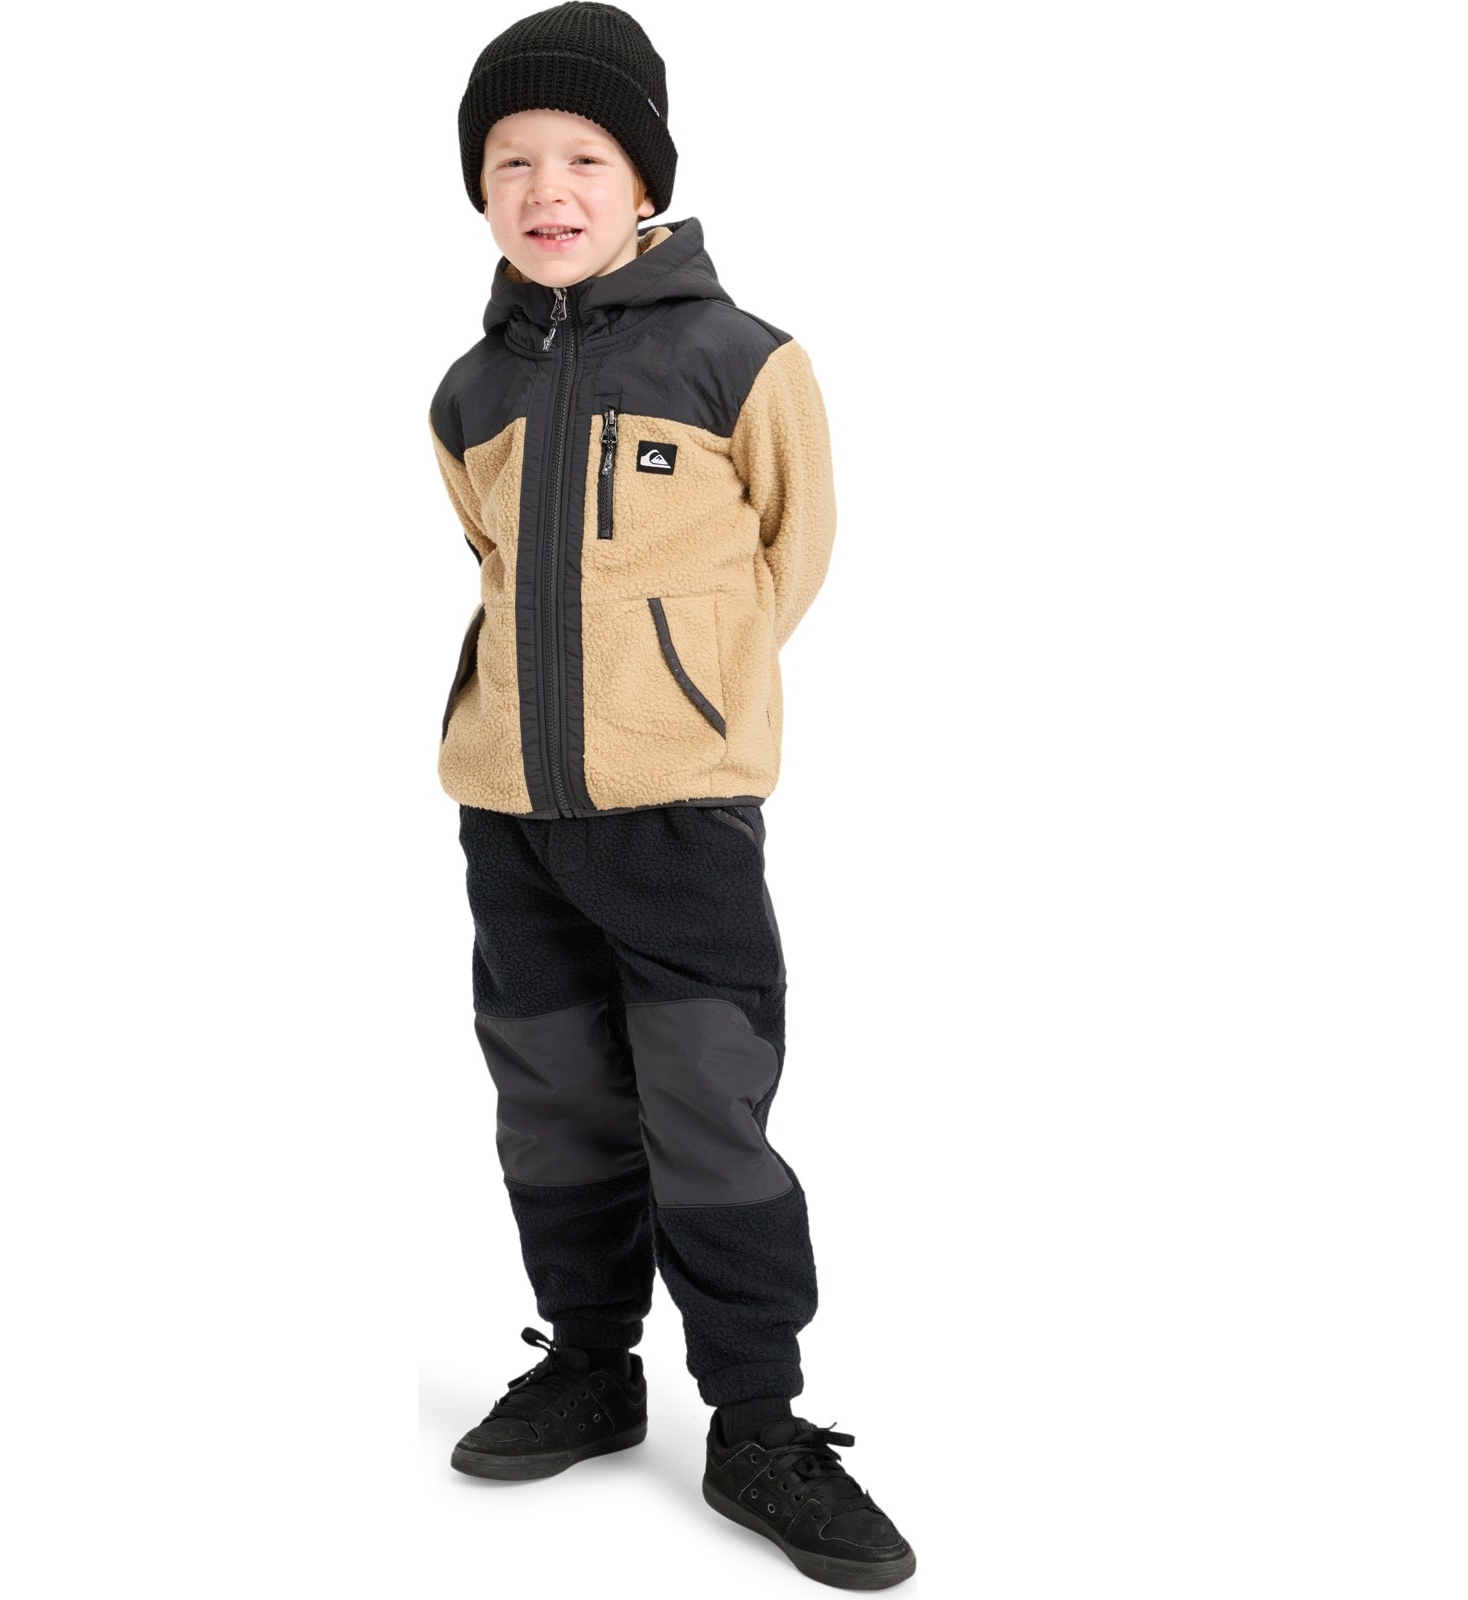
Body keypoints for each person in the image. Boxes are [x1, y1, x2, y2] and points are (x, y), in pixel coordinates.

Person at [427, 3, 914, 1587]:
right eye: (512, 163)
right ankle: (590, 1360)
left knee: (707, 1106)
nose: (546, 189)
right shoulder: (469, 392)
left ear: (645, 181)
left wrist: (684, 695)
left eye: (583, 157)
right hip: (512, 820)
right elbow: (492, 562)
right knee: (554, 1101)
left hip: (678, 821)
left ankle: (759, 1422)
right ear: (480, 190)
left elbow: (789, 554)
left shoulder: (740, 359)